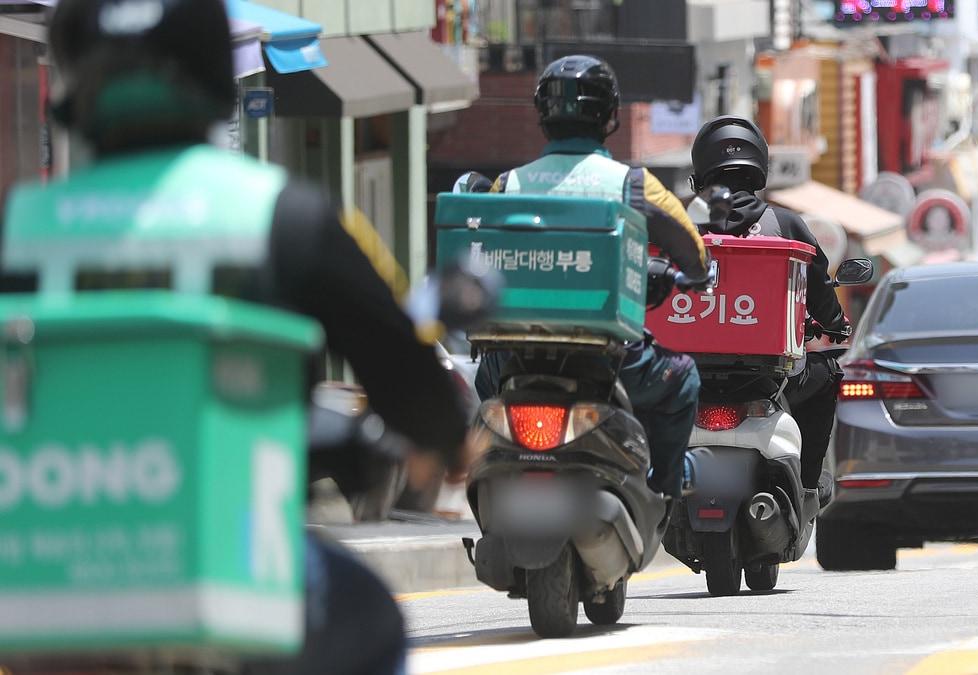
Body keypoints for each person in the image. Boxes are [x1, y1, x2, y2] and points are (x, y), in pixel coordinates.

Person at [1, 1, 470, 672]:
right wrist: (446, 439)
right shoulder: (284, 216)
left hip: (51, 594)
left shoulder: (22, 227)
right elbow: (408, 375)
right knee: (369, 618)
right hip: (233, 582)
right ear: (215, 72)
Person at [475, 54, 712, 501]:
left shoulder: (507, 184)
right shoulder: (634, 184)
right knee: (684, 380)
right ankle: (664, 485)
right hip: (611, 360)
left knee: (485, 383)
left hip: (514, 358)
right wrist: (696, 274)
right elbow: (692, 252)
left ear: (543, 115)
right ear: (610, 117)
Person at [688, 115, 850, 501]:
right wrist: (835, 323)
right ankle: (809, 485)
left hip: (688, 373)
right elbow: (819, 286)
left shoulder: (680, 224)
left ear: (700, 174)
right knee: (826, 376)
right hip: (767, 375)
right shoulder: (785, 223)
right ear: (758, 169)